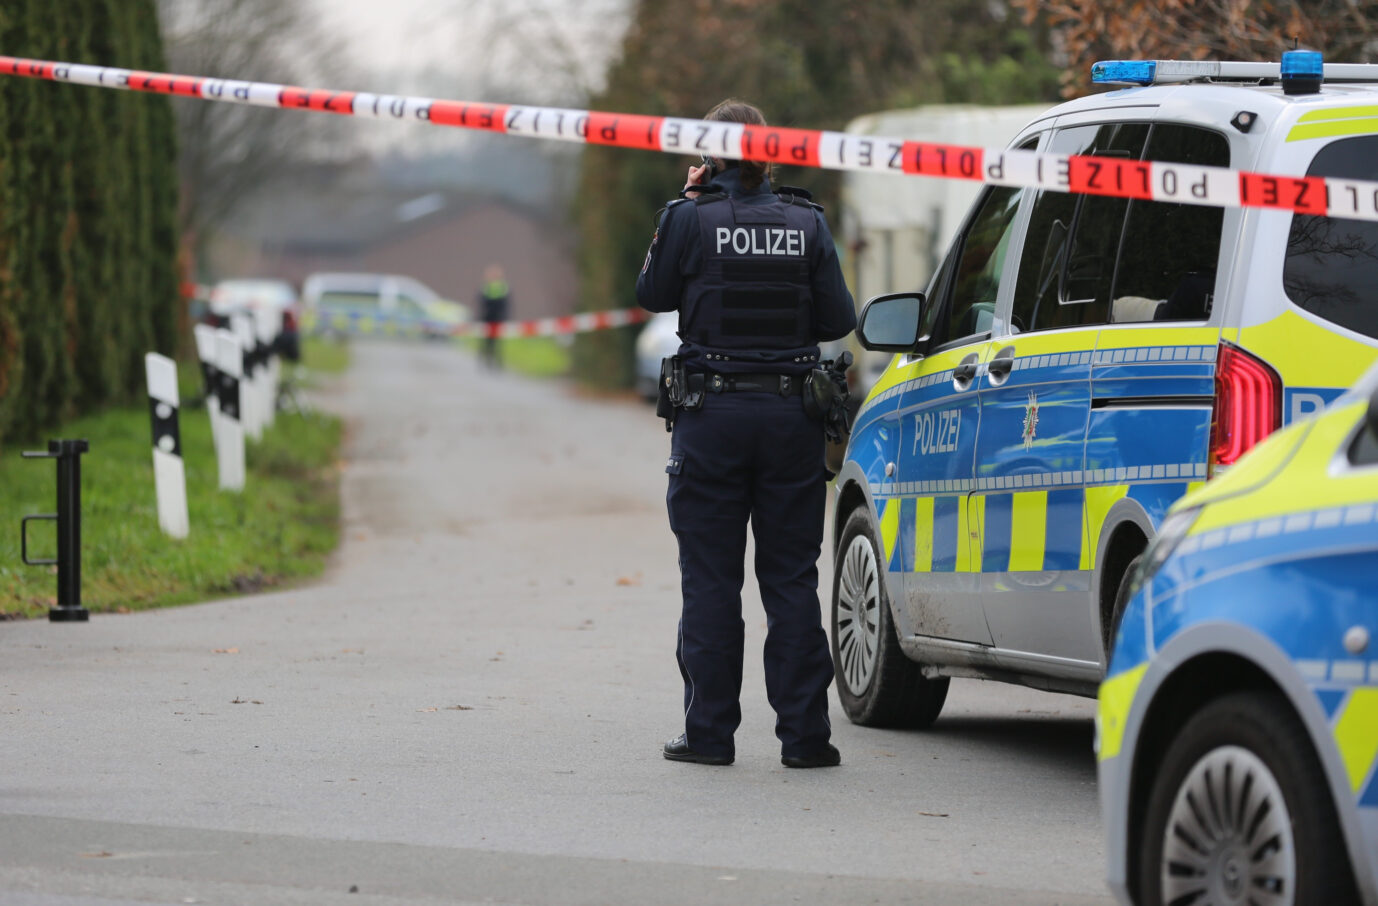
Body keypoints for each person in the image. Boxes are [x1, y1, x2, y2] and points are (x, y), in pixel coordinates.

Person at [634, 99, 857, 769]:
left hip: (712, 417)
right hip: (791, 418)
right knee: (791, 579)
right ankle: (806, 739)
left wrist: (686, 202)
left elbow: (652, 293)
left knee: (710, 581)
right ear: (773, 152)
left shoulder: (688, 218)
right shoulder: (807, 221)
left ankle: (709, 735)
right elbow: (836, 318)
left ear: (710, 154)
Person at [477, 264, 510, 369]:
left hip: (497, 318)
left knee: (496, 342)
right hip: (489, 318)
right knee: (487, 342)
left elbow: (505, 304)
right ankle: (487, 361)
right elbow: (481, 302)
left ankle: (495, 362)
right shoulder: (488, 287)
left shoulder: (502, 287)